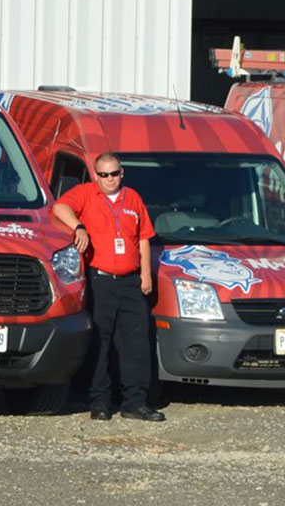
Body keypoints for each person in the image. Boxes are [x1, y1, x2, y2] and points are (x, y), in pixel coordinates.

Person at [53, 153, 164, 422]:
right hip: (100, 279)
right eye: (103, 175)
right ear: (96, 175)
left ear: (122, 173)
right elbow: (59, 207)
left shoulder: (133, 198)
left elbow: (144, 238)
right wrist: (79, 227)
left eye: (114, 174)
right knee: (100, 342)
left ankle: (135, 402)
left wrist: (146, 274)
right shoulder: (86, 193)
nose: (109, 179)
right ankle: (99, 402)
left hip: (130, 279)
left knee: (136, 343)